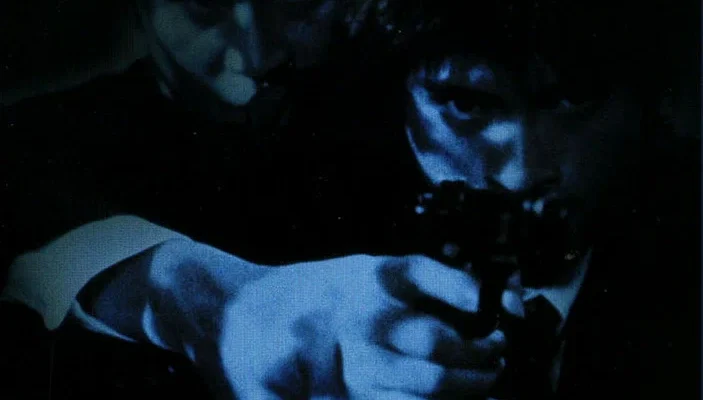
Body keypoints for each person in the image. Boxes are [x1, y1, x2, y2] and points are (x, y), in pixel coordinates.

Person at [1, 1, 699, 400]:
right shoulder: (300, 169)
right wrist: (203, 297)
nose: (521, 170)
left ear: (658, 104)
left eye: (574, 100)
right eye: (465, 104)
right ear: (398, 95)